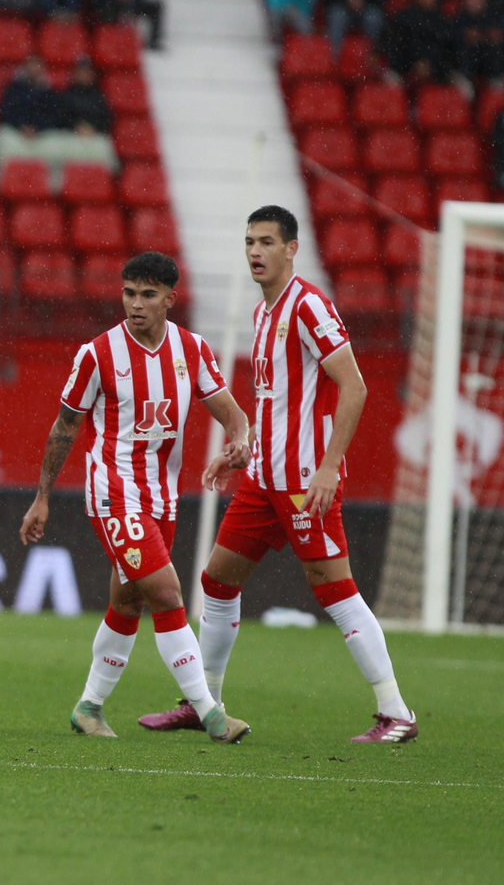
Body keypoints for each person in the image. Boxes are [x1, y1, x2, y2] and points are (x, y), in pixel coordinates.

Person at [139, 207, 419, 744]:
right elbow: (277, 403)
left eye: (267, 241)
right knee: (217, 580)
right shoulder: (264, 313)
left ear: (292, 248)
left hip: (303, 480)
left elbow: (355, 387)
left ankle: (396, 712)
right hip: (263, 477)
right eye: (249, 242)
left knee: (333, 588)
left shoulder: (310, 306)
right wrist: (242, 448)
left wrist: (330, 466)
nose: (255, 252)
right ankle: (207, 702)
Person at [20, 253, 253, 744]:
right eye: (129, 293)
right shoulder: (97, 354)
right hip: (114, 491)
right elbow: (66, 425)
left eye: (148, 295)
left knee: (127, 602)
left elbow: (232, 413)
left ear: (170, 298)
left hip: (162, 497)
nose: (135, 304)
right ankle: (210, 713)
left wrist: (240, 441)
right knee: (167, 593)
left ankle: (88, 707)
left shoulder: (192, 350)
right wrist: (42, 497)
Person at [382, 0, 450, 85]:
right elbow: (397, 46)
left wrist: (429, 64)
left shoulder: (441, 21)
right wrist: (414, 63)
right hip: (403, 69)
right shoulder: (404, 18)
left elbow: (443, 48)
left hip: (436, 71)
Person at [452, 0, 503, 89]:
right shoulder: (457, 19)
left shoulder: (497, 17)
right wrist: (465, 37)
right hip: (465, 72)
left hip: (494, 70)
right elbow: (449, 44)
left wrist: (493, 37)